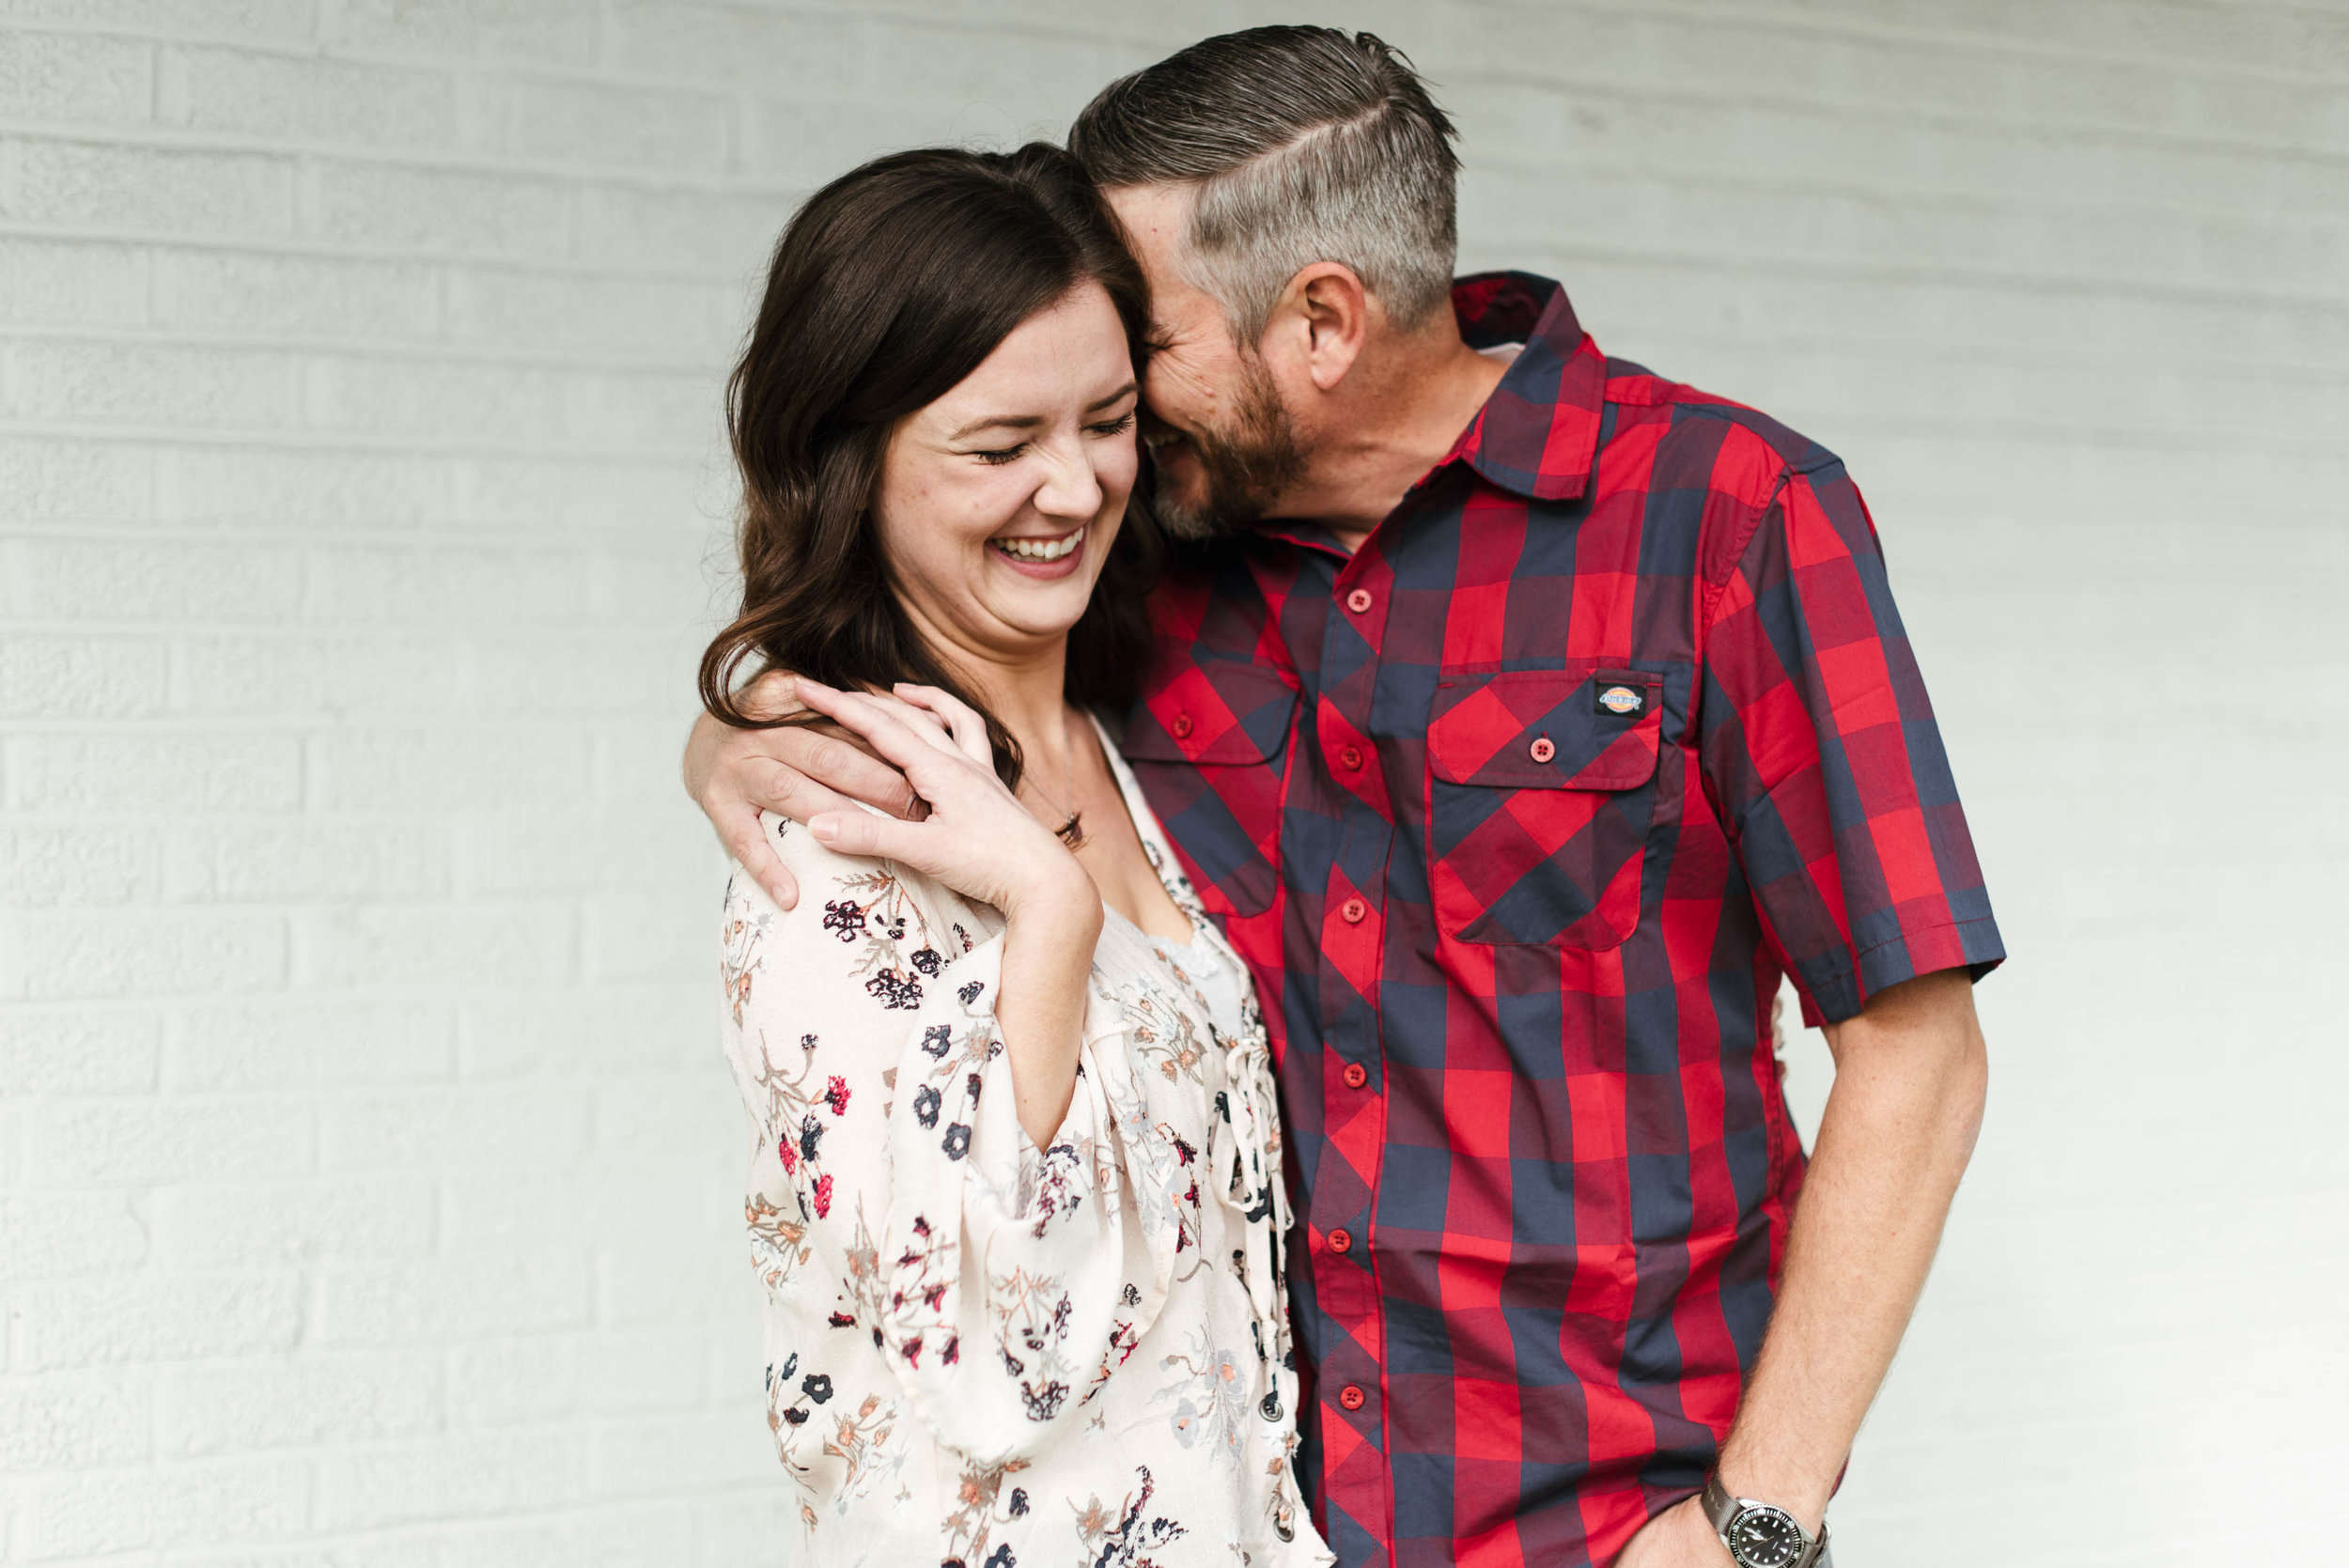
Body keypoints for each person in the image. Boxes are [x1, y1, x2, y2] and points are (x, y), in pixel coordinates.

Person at [689, 28, 2002, 1568]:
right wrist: (743, 721)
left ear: (1319, 321)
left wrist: (1754, 1521)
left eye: (1138, 353)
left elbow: (1918, 1052)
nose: (1100, 430)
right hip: (1272, 1519)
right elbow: (926, 550)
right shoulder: (1153, 560)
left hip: (1621, 1531)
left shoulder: (1728, 518)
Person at [703, 142, 1330, 1563]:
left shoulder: (1114, 740)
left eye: (1107, 420)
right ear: (849, 465)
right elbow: (1000, 1350)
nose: (1074, 488)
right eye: (999, 446)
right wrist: (1049, 909)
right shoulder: (829, 831)